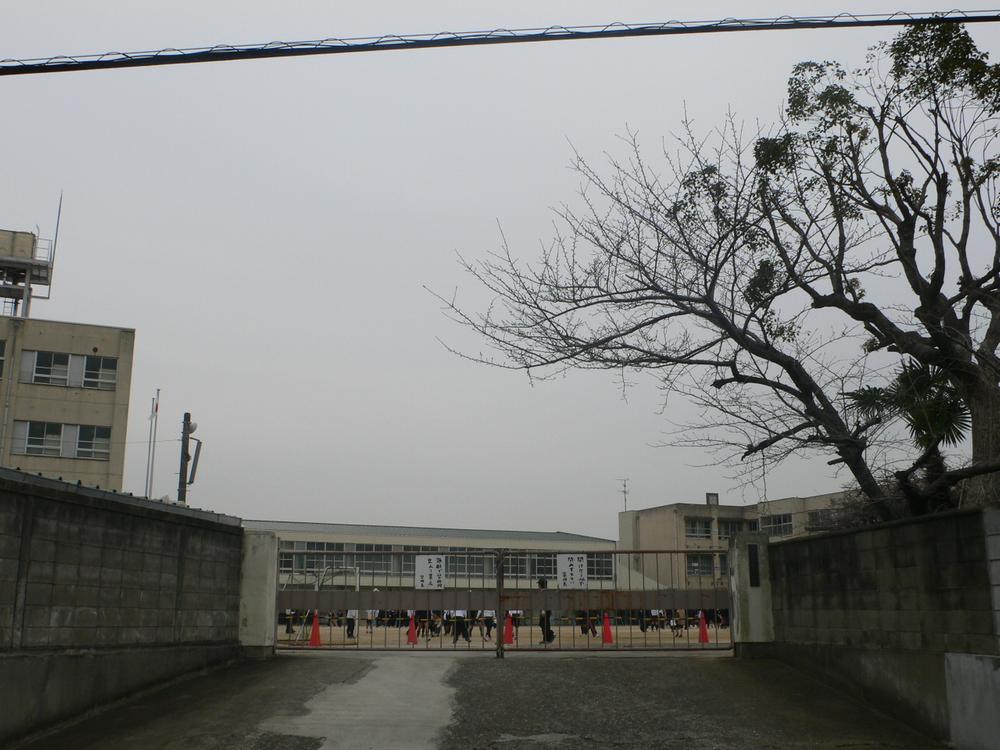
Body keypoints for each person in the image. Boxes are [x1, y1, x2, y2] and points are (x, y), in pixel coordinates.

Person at [537, 577, 555, 645]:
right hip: (546, 610)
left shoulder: (544, 592)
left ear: (541, 584)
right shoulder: (545, 591)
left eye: (539, 584)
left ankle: (549, 637)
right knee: (543, 624)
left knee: (544, 625)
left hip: (545, 610)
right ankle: (547, 638)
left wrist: (543, 611)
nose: (538, 585)